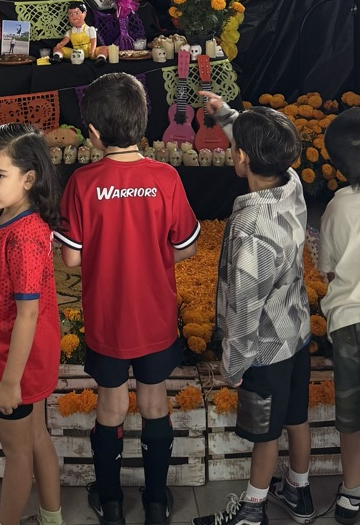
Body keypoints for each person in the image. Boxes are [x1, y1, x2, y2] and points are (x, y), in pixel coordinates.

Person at [55, 73, 199, 525]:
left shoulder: (82, 182)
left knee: (111, 407)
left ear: (93, 133)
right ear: (144, 121)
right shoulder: (166, 177)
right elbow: (188, 244)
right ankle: (156, 503)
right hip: (155, 319)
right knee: (156, 404)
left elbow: (72, 261)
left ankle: (112, 504)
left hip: (108, 322)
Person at [192, 96, 313, 525]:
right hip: (296, 331)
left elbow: (245, 307)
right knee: (296, 415)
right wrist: (227, 115)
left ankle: (252, 510)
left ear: (240, 157)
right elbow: (261, 142)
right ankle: (299, 491)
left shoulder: (250, 229)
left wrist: (234, 364)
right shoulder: (292, 182)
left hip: (263, 347)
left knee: (265, 433)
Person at [0, 123, 64, 525]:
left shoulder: (24, 238)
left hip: (15, 364)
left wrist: (10, 381)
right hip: (7, 353)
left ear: (29, 178)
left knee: (17, 452)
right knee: (36, 436)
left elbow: (27, 314)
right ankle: (52, 517)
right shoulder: (4, 217)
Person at [319, 107, 360, 524]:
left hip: (349, 323)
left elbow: (328, 267)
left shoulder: (337, 208)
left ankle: (352, 492)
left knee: (351, 415)